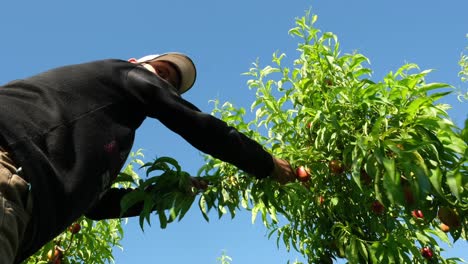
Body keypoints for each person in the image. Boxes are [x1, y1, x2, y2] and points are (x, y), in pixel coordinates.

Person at [0, 52, 296, 263]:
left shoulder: (113, 136)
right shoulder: (120, 72)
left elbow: (96, 206)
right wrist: (265, 163)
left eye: (172, 84)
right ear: (136, 64)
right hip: (9, 164)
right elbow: (195, 123)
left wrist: (167, 193)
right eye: (162, 72)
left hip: (22, 210)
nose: (166, 85)